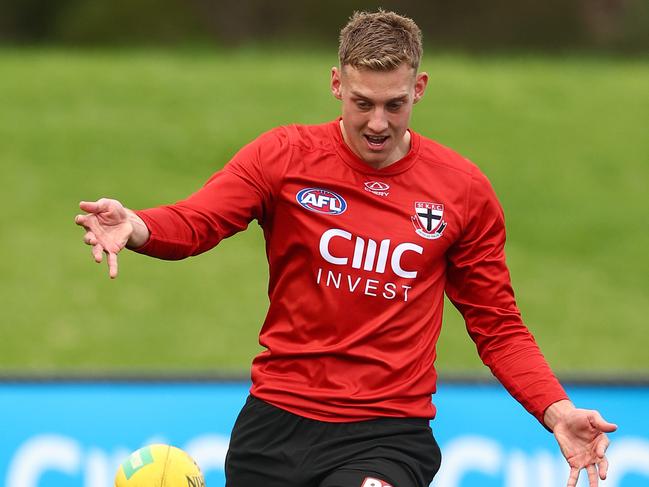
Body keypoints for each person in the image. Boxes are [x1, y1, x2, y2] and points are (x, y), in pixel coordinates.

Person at [75, 10, 617, 487]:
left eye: (394, 104)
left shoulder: (463, 191)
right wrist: (139, 226)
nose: (378, 123)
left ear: (420, 88)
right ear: (336, 84)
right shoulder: (283, 156)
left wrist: (556, 409)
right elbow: (199, 221)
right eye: (362, 103)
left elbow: (497, 324)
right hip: (277, 421)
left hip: (387, 432)